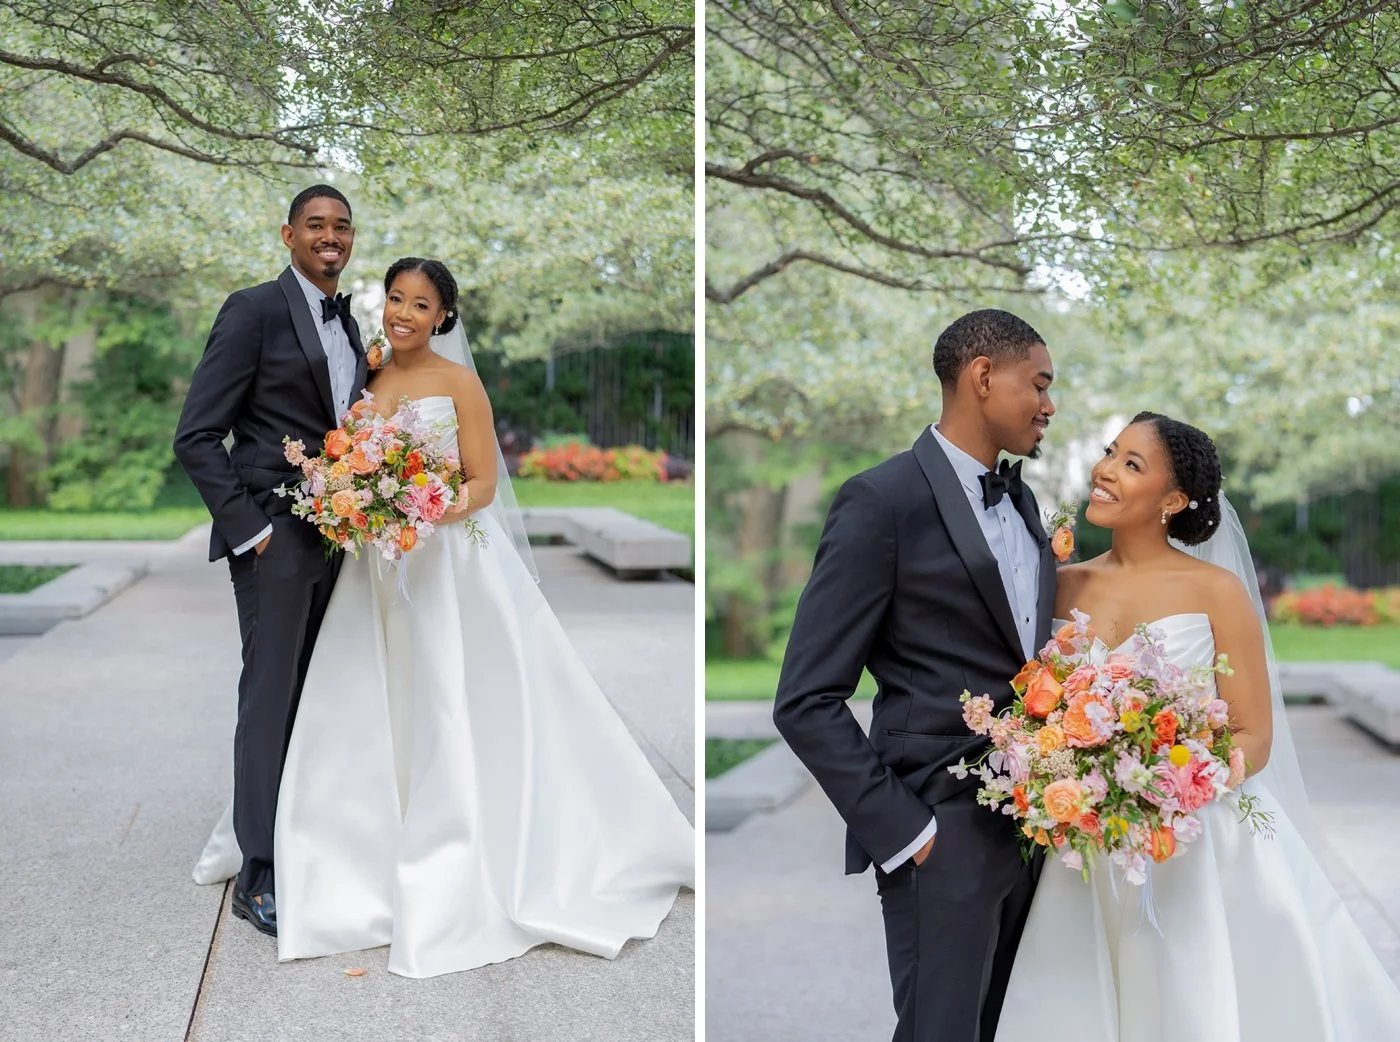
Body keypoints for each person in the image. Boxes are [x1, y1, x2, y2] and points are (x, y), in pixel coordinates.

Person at [192, 258, 694, 979]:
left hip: (446, 563)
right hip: (372, 570)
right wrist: (364, 502)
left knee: (453, 703)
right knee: (360, 705)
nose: (403, 313)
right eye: (395, 298)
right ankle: (344, 842)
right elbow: (341, 450)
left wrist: (421, 509)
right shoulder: (365, 377)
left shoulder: (460, 383)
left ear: (442, 317)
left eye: (420, 304)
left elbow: (484, 483)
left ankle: (460, 843)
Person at [995, 412, 1400, 1041]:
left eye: (1132, 464)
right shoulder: (1061, 584)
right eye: (1110, 453)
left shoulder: (1217, 591)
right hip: (1086, 845)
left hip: (1195, 841)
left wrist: (1158, 789)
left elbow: (1253, 738)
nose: (1105, 471)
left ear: (1174, 500)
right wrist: (1073, 778)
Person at [774, 309, 1059, 1042]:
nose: (1050, 405)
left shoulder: (1023, 502)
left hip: (1033, 832)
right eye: (1041, 384)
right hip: (941, 834)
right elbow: (806, 697)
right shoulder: (881, 501)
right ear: (983, 376)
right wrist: (910, 833)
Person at [174, 184, 366, 937]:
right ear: (288, 234)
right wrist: (252, 533)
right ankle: (259, 872)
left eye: (342, 227)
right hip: (275, 541)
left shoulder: (348, 320)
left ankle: (309, 838)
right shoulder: (252, 309)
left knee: (319, 694)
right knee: (270, 695)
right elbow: (197, 433)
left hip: (341, 538)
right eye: (316, 225)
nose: (331, 237)